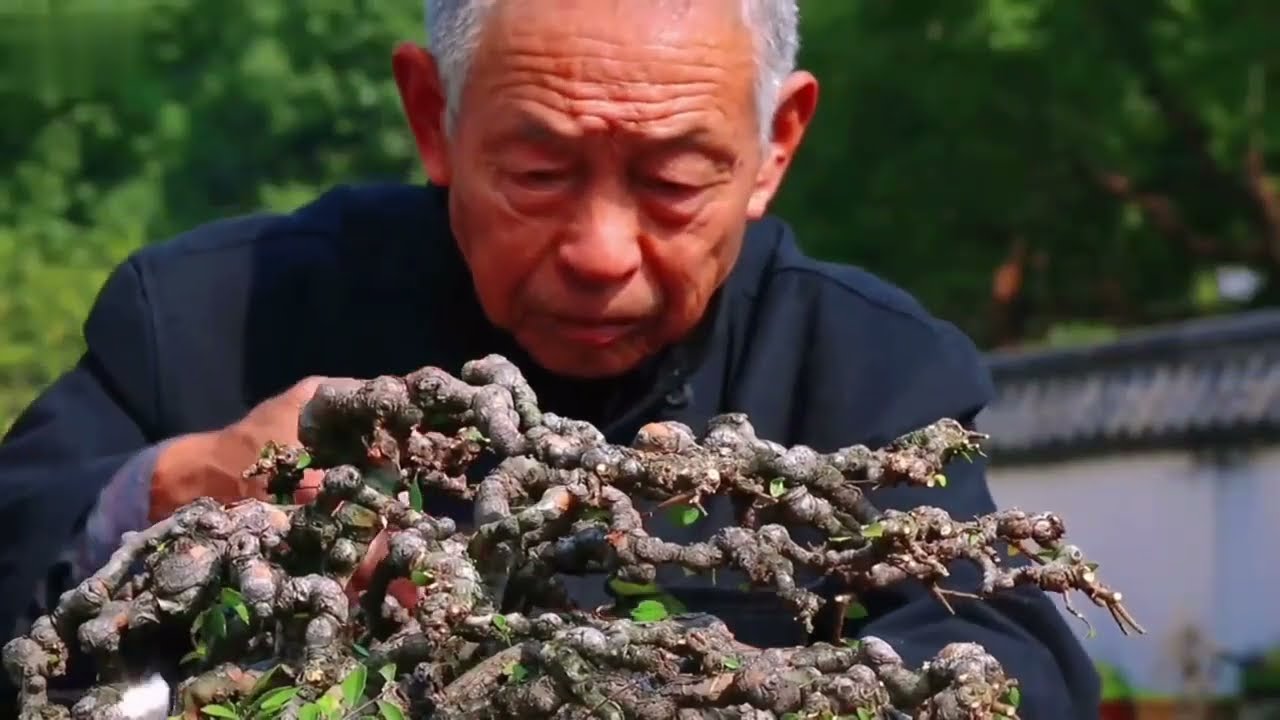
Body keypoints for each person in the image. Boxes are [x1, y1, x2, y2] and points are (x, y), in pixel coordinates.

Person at [0, 0, 1099, 716]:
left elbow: (1006, 654)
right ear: (434, 119)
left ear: (775, 145)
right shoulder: (208, 317)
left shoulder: (872, 371)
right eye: (537, 172)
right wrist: (173, 491)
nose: (600, 253)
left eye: (673, 181)